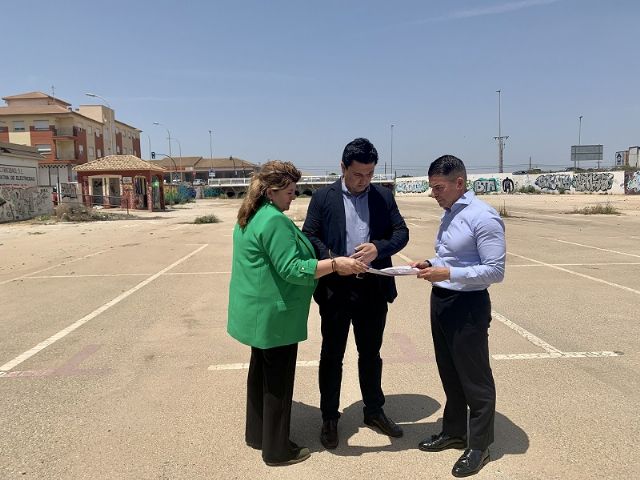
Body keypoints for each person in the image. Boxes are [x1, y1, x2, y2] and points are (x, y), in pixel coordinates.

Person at [227, 161, 368, 466]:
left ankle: (258, 435)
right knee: (278, 383)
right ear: (271, 192)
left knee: (260, 377)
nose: (294, 197)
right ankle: (277, 450)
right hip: (275, 317)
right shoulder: (274, 221)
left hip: (257, 314)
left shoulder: (253, 214)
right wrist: (335, 264)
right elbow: (292, 268)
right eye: (290, 192)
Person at [302, 138, 409, 449]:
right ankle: (329, 417)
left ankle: (374, 411)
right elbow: (310, 235)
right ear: (343, 167)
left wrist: (379, 248)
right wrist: (336, 261)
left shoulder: (383, 196)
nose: (364, 180)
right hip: (336, 289)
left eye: (370, 174)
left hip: (373, 288)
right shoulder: (323, 197)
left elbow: (401, 232)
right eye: (358, 174)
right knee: (332, 355)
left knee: (371, 354)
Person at [412, 155, 506, 478]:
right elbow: (450, 256)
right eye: (432, 187)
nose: (433, 194)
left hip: (468, 306)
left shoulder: (484, 217)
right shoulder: (451, 213)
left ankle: (480, 446)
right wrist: (431, 263)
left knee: (475, 379)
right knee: (450, 373)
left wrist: (448, 273)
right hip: (442, 300)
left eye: (438, 187)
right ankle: (454, 432)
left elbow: (495, 270)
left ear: (459, 183)